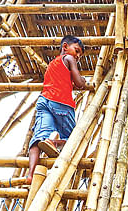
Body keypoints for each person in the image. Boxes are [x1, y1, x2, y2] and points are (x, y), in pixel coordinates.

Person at [26, 35, 90, 184]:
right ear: (65, 47)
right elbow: (79, 83)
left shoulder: (52, 64)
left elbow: (61, 79)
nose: (78, 56)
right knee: (74, 139)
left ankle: (30, 174)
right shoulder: (69, 59)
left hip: (44, 101)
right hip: (61, 102)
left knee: (38, 137)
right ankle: (56, 143)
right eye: (77, 50)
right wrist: (83, 81)